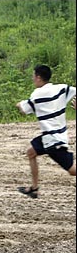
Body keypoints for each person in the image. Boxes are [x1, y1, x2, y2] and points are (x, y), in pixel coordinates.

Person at [16, 64, 76, 198]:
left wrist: (19, 104)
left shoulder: (37, 94)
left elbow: (24, 110)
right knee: (31, 152)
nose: (33, 79)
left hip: (53, 141)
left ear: (38, 77)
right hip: (51, 137)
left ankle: (35, 188)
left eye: (33, 76)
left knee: (72, 170)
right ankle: (34, 188)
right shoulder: (61, 88)